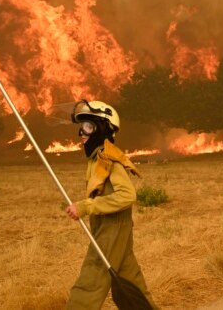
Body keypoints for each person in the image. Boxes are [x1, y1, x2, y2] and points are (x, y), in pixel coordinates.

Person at [65, 100, 158, 309]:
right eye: (82, 127)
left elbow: (127, 195)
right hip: (111, 226)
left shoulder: (110, 159)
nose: (82, 132)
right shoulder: (96, 159)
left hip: (112, 228)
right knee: (130, 280)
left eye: (88, 126)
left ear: (102, 128)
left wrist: (86, 206)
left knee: (91, 279)